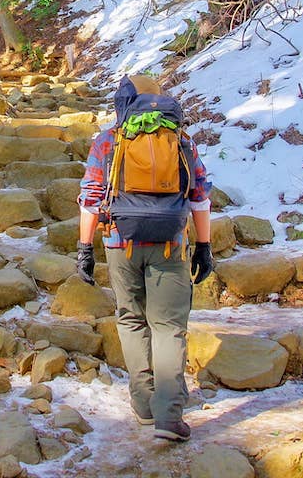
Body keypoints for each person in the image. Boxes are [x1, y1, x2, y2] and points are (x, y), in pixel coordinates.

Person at [77, 74, 213, 442]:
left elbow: (90, 197)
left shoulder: (108, 139)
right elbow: (199, 195)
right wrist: (204, 245)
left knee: (131, 318)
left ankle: (143, 404)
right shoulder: (180, 138)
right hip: (170, 242)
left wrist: (84, 249)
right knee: (168, 326)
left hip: (121, 243)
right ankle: (169, 415)